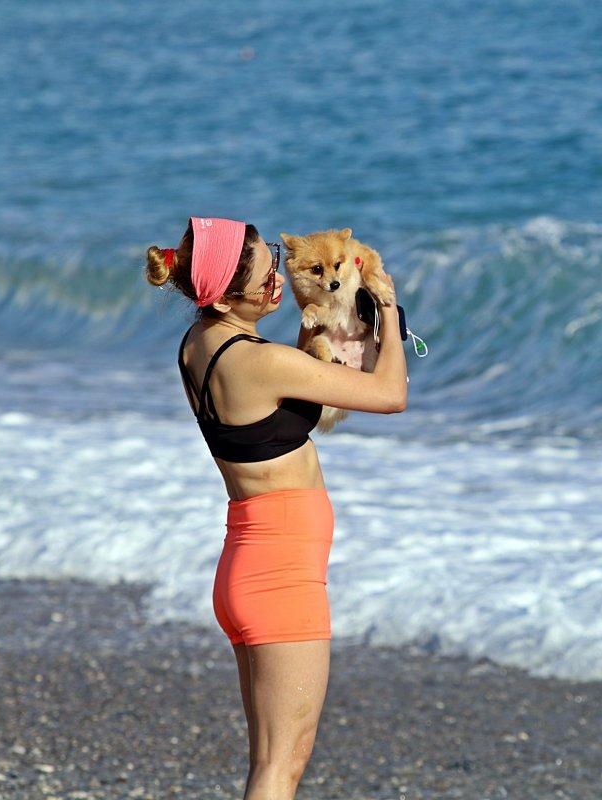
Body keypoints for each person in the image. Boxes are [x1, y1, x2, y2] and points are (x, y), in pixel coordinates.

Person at [144, 216, 407, 799]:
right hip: (279, 579)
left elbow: (285, 390)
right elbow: (390, 395)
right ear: (228, 292)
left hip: (248, 560)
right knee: (281, 768)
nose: (280, 288)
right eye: (268, 282)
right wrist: (389, 309)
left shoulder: (201, 344)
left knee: (269, 763)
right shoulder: (258, 361)